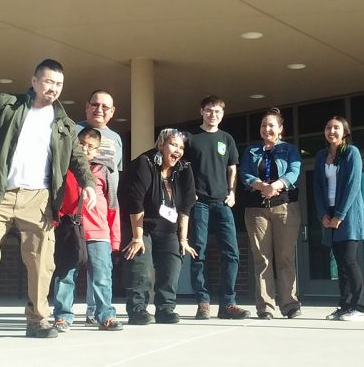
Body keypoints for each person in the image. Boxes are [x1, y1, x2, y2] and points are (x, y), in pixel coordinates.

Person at [0, 58, 97, 342]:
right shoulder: (7, 104)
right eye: (48, 82)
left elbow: (78, 159)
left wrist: (88, 183)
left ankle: (38, 319)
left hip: (39, 199)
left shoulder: (64, 124)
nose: (53, 88)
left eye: (58, 84)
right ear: (34, 81)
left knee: (42, 262)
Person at [121, 128, 198, 325]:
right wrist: (137, 238)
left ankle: (165, 308)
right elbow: (135, 201)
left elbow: (186, 206)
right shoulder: (145, 163)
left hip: (169, 228)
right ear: (161, 145)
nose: (178, 151)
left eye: (181, 147)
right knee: (141, 265)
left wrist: (183, 239)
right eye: (173, 145)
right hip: (142, 225)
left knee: (172, 265)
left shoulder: (184, 169)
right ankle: (137, 309)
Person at [52, 128, 123, 332]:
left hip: (99, 233)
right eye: (81, 143)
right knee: (65, 274)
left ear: (97, 150)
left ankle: (105, 315)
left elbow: (113, 206)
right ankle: (62, 316)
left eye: (91, 146)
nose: (85, 148)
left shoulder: (105, 172)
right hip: (70, 230)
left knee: (102, 276)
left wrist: (115, 238)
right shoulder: (65, 170)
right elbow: (56, 201)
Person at [185, 95, 249, 320]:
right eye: (209, 110)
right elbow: (182, 168)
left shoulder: (227, 139)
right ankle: (203, 302)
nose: (213, 115)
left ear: (223, 114)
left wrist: (232, 193)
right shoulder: (191, 138)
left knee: (231, 253)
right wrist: (188, 192)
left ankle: (228, 304)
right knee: (198, 252)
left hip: (223, 203)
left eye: (218, 112)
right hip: (199, 203)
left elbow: (232, 169)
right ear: (202, 111)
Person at [239, 107, 302, 319]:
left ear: (280, 129)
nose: (267, 129)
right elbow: (245, 173)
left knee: (285, 258)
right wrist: (260, 185)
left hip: (284, 208)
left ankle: (290, 304)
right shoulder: (251, 150)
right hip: (257, 210)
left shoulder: (289, 149)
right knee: (262, 260)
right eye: (264, 125)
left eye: (271, 125)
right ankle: (265, 307)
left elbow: (294, 171)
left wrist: (275, 185)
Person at [312, 116, 364, 322]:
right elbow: (317, 187)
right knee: (339, 262)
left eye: (336, 128)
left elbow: (353, 186)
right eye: (328, 128)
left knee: (349, 259)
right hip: (330, 213)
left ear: (345, 132)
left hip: (349, 213)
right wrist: (323, 214)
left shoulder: (352, 153)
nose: (331, 131)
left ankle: (360, 307)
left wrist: (340, 215)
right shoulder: (321, 156)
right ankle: (345, 306)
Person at [76, 90, 123, 325]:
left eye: (106, 106)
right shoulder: (74, 131)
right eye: (95, 104)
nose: (100, 110)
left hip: (103, 211)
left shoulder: (115, 138)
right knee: (69, 270)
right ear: (87, 106)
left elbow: (116, 174)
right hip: (75, 213)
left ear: (113, 111)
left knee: (100, 270)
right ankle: (64, 314)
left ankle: (95, 311)